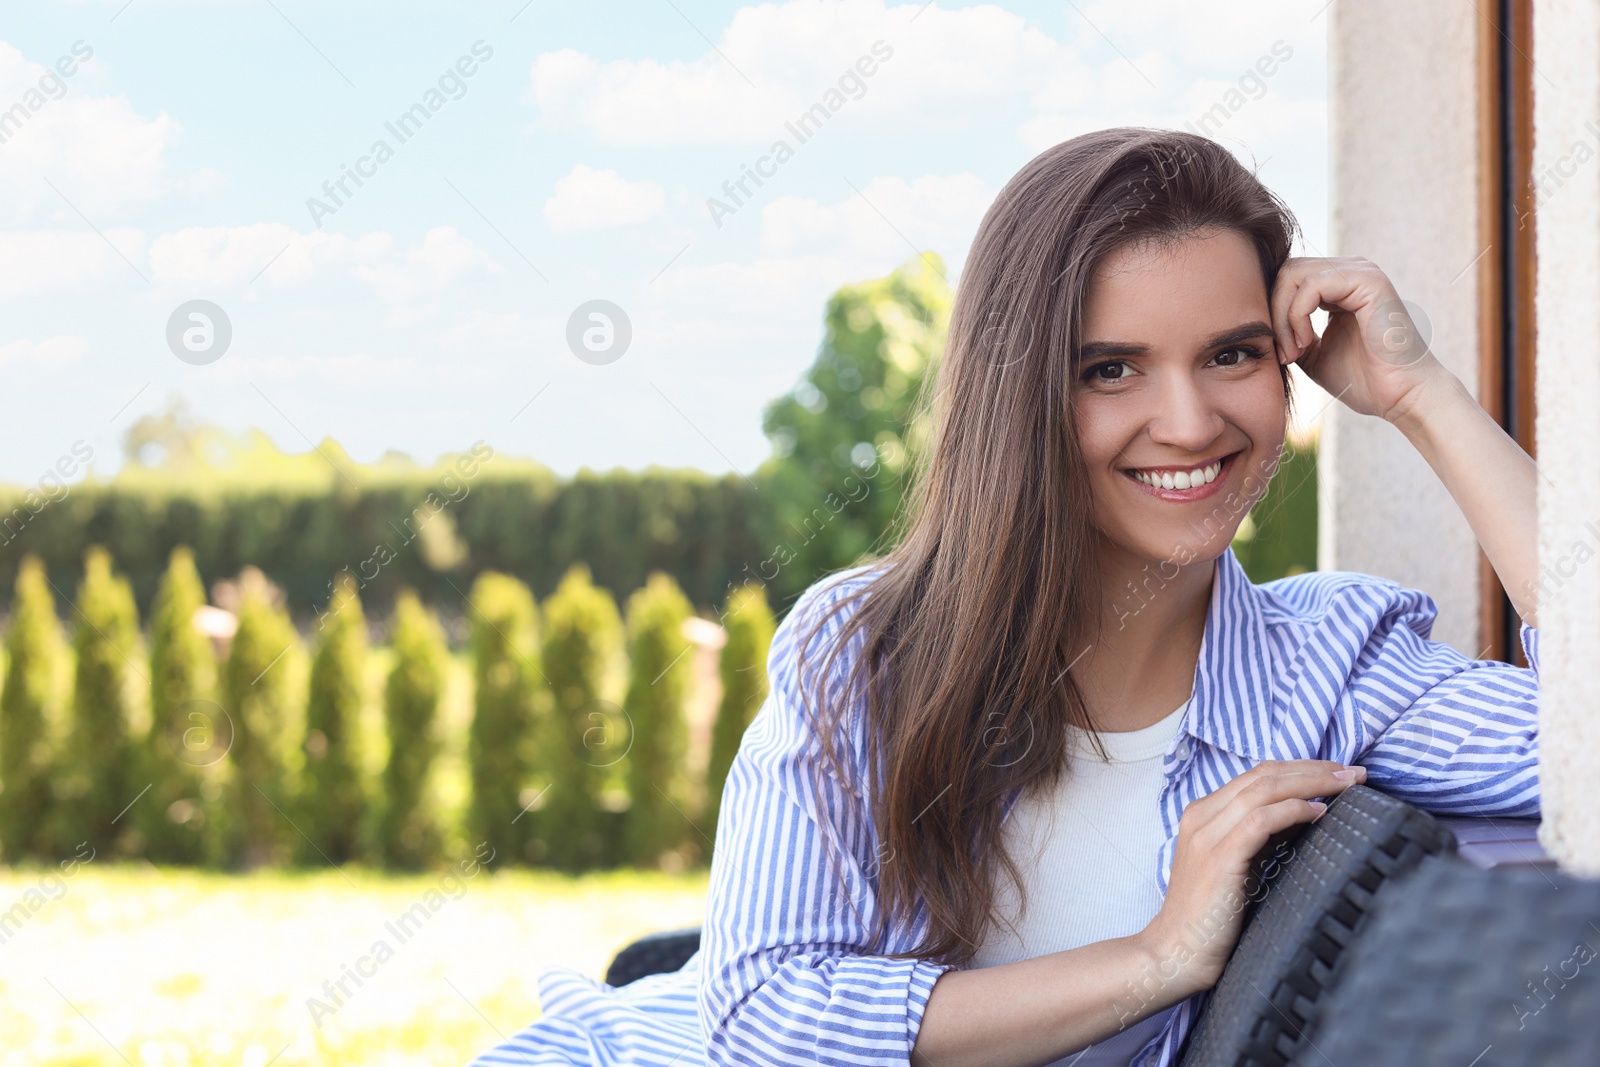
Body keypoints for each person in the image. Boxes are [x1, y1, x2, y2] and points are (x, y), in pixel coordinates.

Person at [462, 127, 1541, 1067]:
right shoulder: (866, 649)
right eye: (1109, 369)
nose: (1188, 419)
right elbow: (767, 1020)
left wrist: (1420, 393)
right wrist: (1152, 959)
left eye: (1231, 353)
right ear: (1019, 389)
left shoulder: (1334, 665)